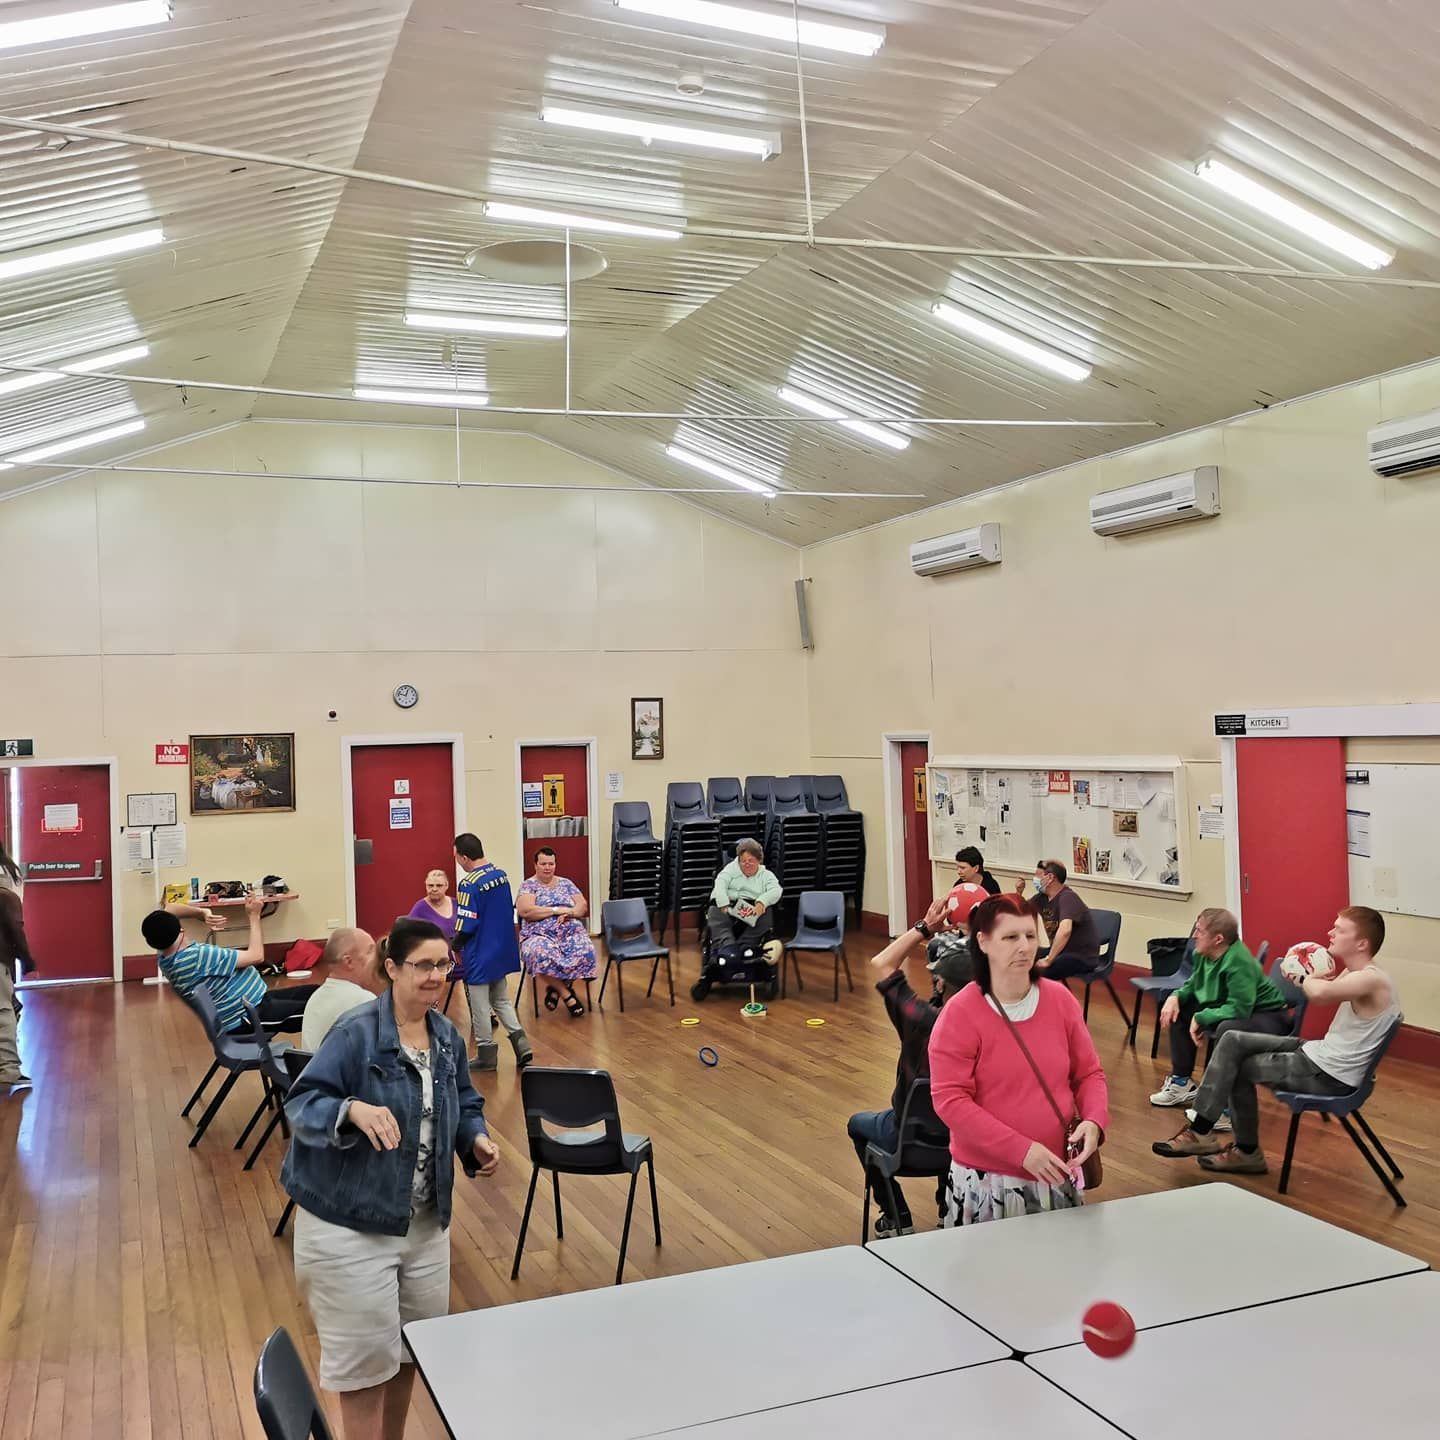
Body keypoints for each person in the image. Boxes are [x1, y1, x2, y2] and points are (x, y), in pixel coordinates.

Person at [281, 918, 499, 1440]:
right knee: (363, 1370)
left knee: (410, 1353)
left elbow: (465, 1102)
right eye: (422, 965)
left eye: (443, 965)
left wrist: (475, 1137)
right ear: (392, 968)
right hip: (348, 1227)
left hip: (424, 1225)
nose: (434, 976)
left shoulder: (444, 1036)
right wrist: (352, 1109)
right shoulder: (355, 1032)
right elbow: (302, 1103)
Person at [1154, 907, 1399, 1176]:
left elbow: (1320, 994)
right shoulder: (1354, 972)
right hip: (1317, 1055)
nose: (1330, 932)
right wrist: (1298, 972)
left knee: (1234, 1064)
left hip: (1328, 1075)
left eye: (1339, 929)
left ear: (1362, 943)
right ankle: (1207, 1133)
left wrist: (1304, 974)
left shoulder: (1372, 979)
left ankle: (1233, 1146)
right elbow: (1320, 988)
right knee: (1233, 1040)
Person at [928, 893, 1108, 1225]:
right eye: (1010, 937)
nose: (1024, 946)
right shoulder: (960, 1014)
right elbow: (950, 1101)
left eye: (1029, 935)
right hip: (989, 1181)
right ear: (983, 941)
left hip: (1055, 1171)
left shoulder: (1060, 1000)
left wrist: (1094, 1121)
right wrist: (1021, 1150)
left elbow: (1089, 1074)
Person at [847, 888, 981, 1236]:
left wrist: (925, 927)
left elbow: (882, 964)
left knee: (857, 1124)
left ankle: (896, 1215)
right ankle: (947, 1206)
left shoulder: (920, 1019)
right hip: (967, 1144)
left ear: (939, 980)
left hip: (904, 1139)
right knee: (952, 1111)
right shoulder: (992, 1026)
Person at [1150, 908, 1290, 1110]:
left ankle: (1223, 1106)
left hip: (1268, 1015)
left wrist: (1202, 1017)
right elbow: (1194, 983)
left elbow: (1240, 1008)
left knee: (1228, 1029)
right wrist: (1175, 996)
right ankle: (1181, 1084)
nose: (1194, 936)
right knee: (1181, 1008)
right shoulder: (1203, 953)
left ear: (1218, 939)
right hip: (1236, 1006)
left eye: (1200, 931)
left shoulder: (1238, 961)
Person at [142, 895, 321, 1032]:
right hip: (248, 1017)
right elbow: (257, 956)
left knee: (320, 994)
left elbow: (169, 909)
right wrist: (254, 916)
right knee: (324, 1010)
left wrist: (202, 913)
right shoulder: (198, 957)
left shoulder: (165, 956)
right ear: (180, 930)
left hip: (255, 1002)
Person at [452, 834, 532, 1068]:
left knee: (479, 1005)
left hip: (479, 952)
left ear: (465, 857)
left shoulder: (469, 884)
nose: (457, 861)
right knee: (501, 999)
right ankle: (522, 1044)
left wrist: (456, 945)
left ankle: (486, 1055)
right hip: (501, 948)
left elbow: (468, 923)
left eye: (456, 856)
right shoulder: (501, 876)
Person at [517, 846, 598, 1017]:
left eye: (551, 864)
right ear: (535, 865)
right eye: (543, 864)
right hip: (538, 934)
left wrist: (571, 912)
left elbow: (582, 905)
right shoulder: (529, 886)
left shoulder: (566, 883)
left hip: (570, 931)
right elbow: (526, 911)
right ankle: (566, 994)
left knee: (586, 951)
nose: (547, 867)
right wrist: (556, 910)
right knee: (541, 954)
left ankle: (555, 989)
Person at [301, 927, 380, 1051]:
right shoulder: (364, 1000)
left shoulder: (315, 998)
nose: (377, 958)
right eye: (370, 951)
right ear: (349, 961)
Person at [1021, 860, 1100, 980]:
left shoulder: (1068, 897)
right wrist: (1019, 891)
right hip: (1062, 952)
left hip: (1080, 956)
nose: (1034, 879)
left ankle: (1044, 997)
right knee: (1023, 956)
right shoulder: (1042, 898)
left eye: (1037, 875)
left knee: (1036, 973)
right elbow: (1018, 910)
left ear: (1050, 877)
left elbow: (1065, 931)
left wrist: (1048, 960)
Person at [707, 837, 783, 959]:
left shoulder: (766, 875)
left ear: (759, 860)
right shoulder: (729, 870)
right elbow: (720, 884)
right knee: (715, 913)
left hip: (751, 908)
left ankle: (747, 946)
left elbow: (776, 890)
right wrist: (723, 902)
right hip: (728, 906)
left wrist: (762, 902)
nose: (747, 864)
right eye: (743, 861)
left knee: (767, 914)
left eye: (751, 860)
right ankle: (727, 947)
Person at [0, 840, 35, 1089]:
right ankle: (9, 1068)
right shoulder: (8, 880)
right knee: (5, 1009)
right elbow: (14, 926)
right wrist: (26, 956)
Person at [407, 869, 457, 946]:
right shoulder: (420, 908)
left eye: (439, 885)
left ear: (446, 885)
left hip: (459, 954)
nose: (434, 889)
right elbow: (408, 933)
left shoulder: (456, 904)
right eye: (430, 885)